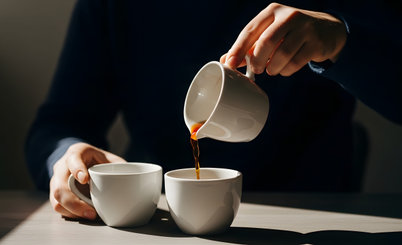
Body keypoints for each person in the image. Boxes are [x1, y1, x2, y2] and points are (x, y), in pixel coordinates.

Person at [25, 0, 402, 220]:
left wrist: (341, 42)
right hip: (162, 219)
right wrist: (67, 157)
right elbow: (58, 122)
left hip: (314, 216)